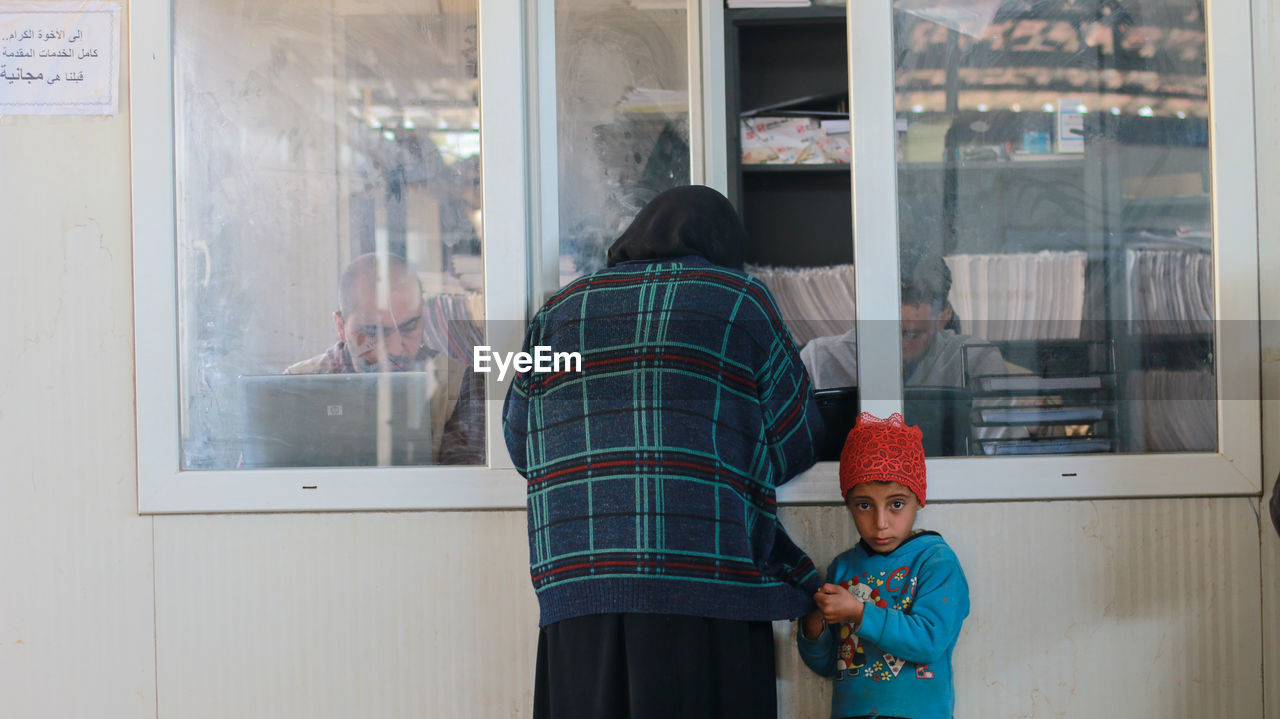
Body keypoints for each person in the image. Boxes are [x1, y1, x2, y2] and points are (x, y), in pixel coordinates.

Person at [503, 185, 825, 719]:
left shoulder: (559, 311)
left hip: (579, 591)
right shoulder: (739, 299)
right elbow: (798, 436)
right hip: (704, 587)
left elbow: (521, 443)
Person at [797, 412, 970, 719]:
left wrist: (860, 613)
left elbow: (930, 641)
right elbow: (827, 664)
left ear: (919, 499)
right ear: (848, 505)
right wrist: (813, 626)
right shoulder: (843, 569)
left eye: (896, 504)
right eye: (864, 505)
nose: (880, 523)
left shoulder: (935, 562)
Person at [800, 250, 1026, 444]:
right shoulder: (820, 360)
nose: (895, 347)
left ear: (943, 318)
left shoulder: (974, 359)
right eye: (883, 333)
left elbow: (1000, 453)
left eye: (912, 335)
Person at [286, 252, 485, 465]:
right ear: (341, 327)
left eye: (409, 328)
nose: (395, 348)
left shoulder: (459, 385)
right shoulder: (294, 387)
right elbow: (260, 490)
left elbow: (466, 491)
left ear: (423, 316)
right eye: (373, 332)